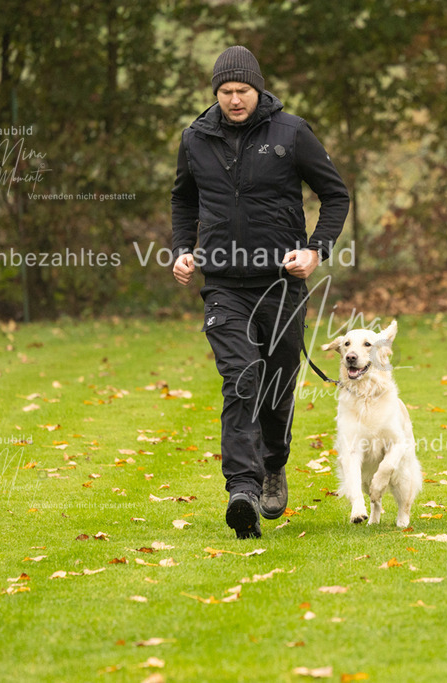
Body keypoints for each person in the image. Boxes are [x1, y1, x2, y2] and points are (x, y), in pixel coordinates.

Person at [170, 46, 349, 539]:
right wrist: (183, 248)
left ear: (258, 89)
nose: (233, 101)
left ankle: (273, 465)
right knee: (242, 377)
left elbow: (336, 195)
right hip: (224, 285)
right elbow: (183, 198)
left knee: (276, 387)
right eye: (225, 92)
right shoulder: (195, 138)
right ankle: (242, 490)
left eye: (242, 91)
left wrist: (316, 251)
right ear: (215, 94)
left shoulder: (291, 132)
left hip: (281, 284)